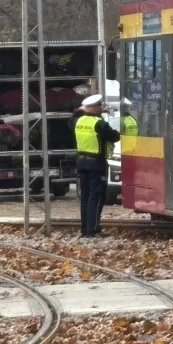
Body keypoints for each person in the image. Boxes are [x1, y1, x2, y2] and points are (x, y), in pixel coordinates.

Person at [71, 94, 119, 237]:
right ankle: (92, 229)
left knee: (85, 196)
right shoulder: (99, 124)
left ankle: (85, 229)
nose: (101, 108)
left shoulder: (78, 121)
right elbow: (114, 136)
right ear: (94, 107)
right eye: (99, 106)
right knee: (96, 196)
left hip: (81, 162)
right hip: (96, 163)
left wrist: (80, 110)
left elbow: (71, 120)